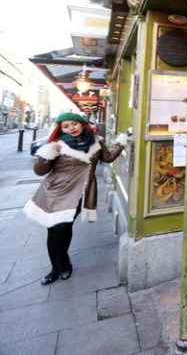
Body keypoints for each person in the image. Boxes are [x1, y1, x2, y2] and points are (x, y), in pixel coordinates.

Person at [23, 112, 128, 285]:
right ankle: (57, 268)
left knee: (64, 227)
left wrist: (121, 142)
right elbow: (39, 171)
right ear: (61, 129)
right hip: (56, 192)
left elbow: (108, 157)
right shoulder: (58, 144)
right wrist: (48, 153)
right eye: (66, 126)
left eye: (74, 124)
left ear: (82, 124)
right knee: (53, 229)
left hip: (81, 192)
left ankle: (63, 263)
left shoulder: (96, 142)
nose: (71, 128)